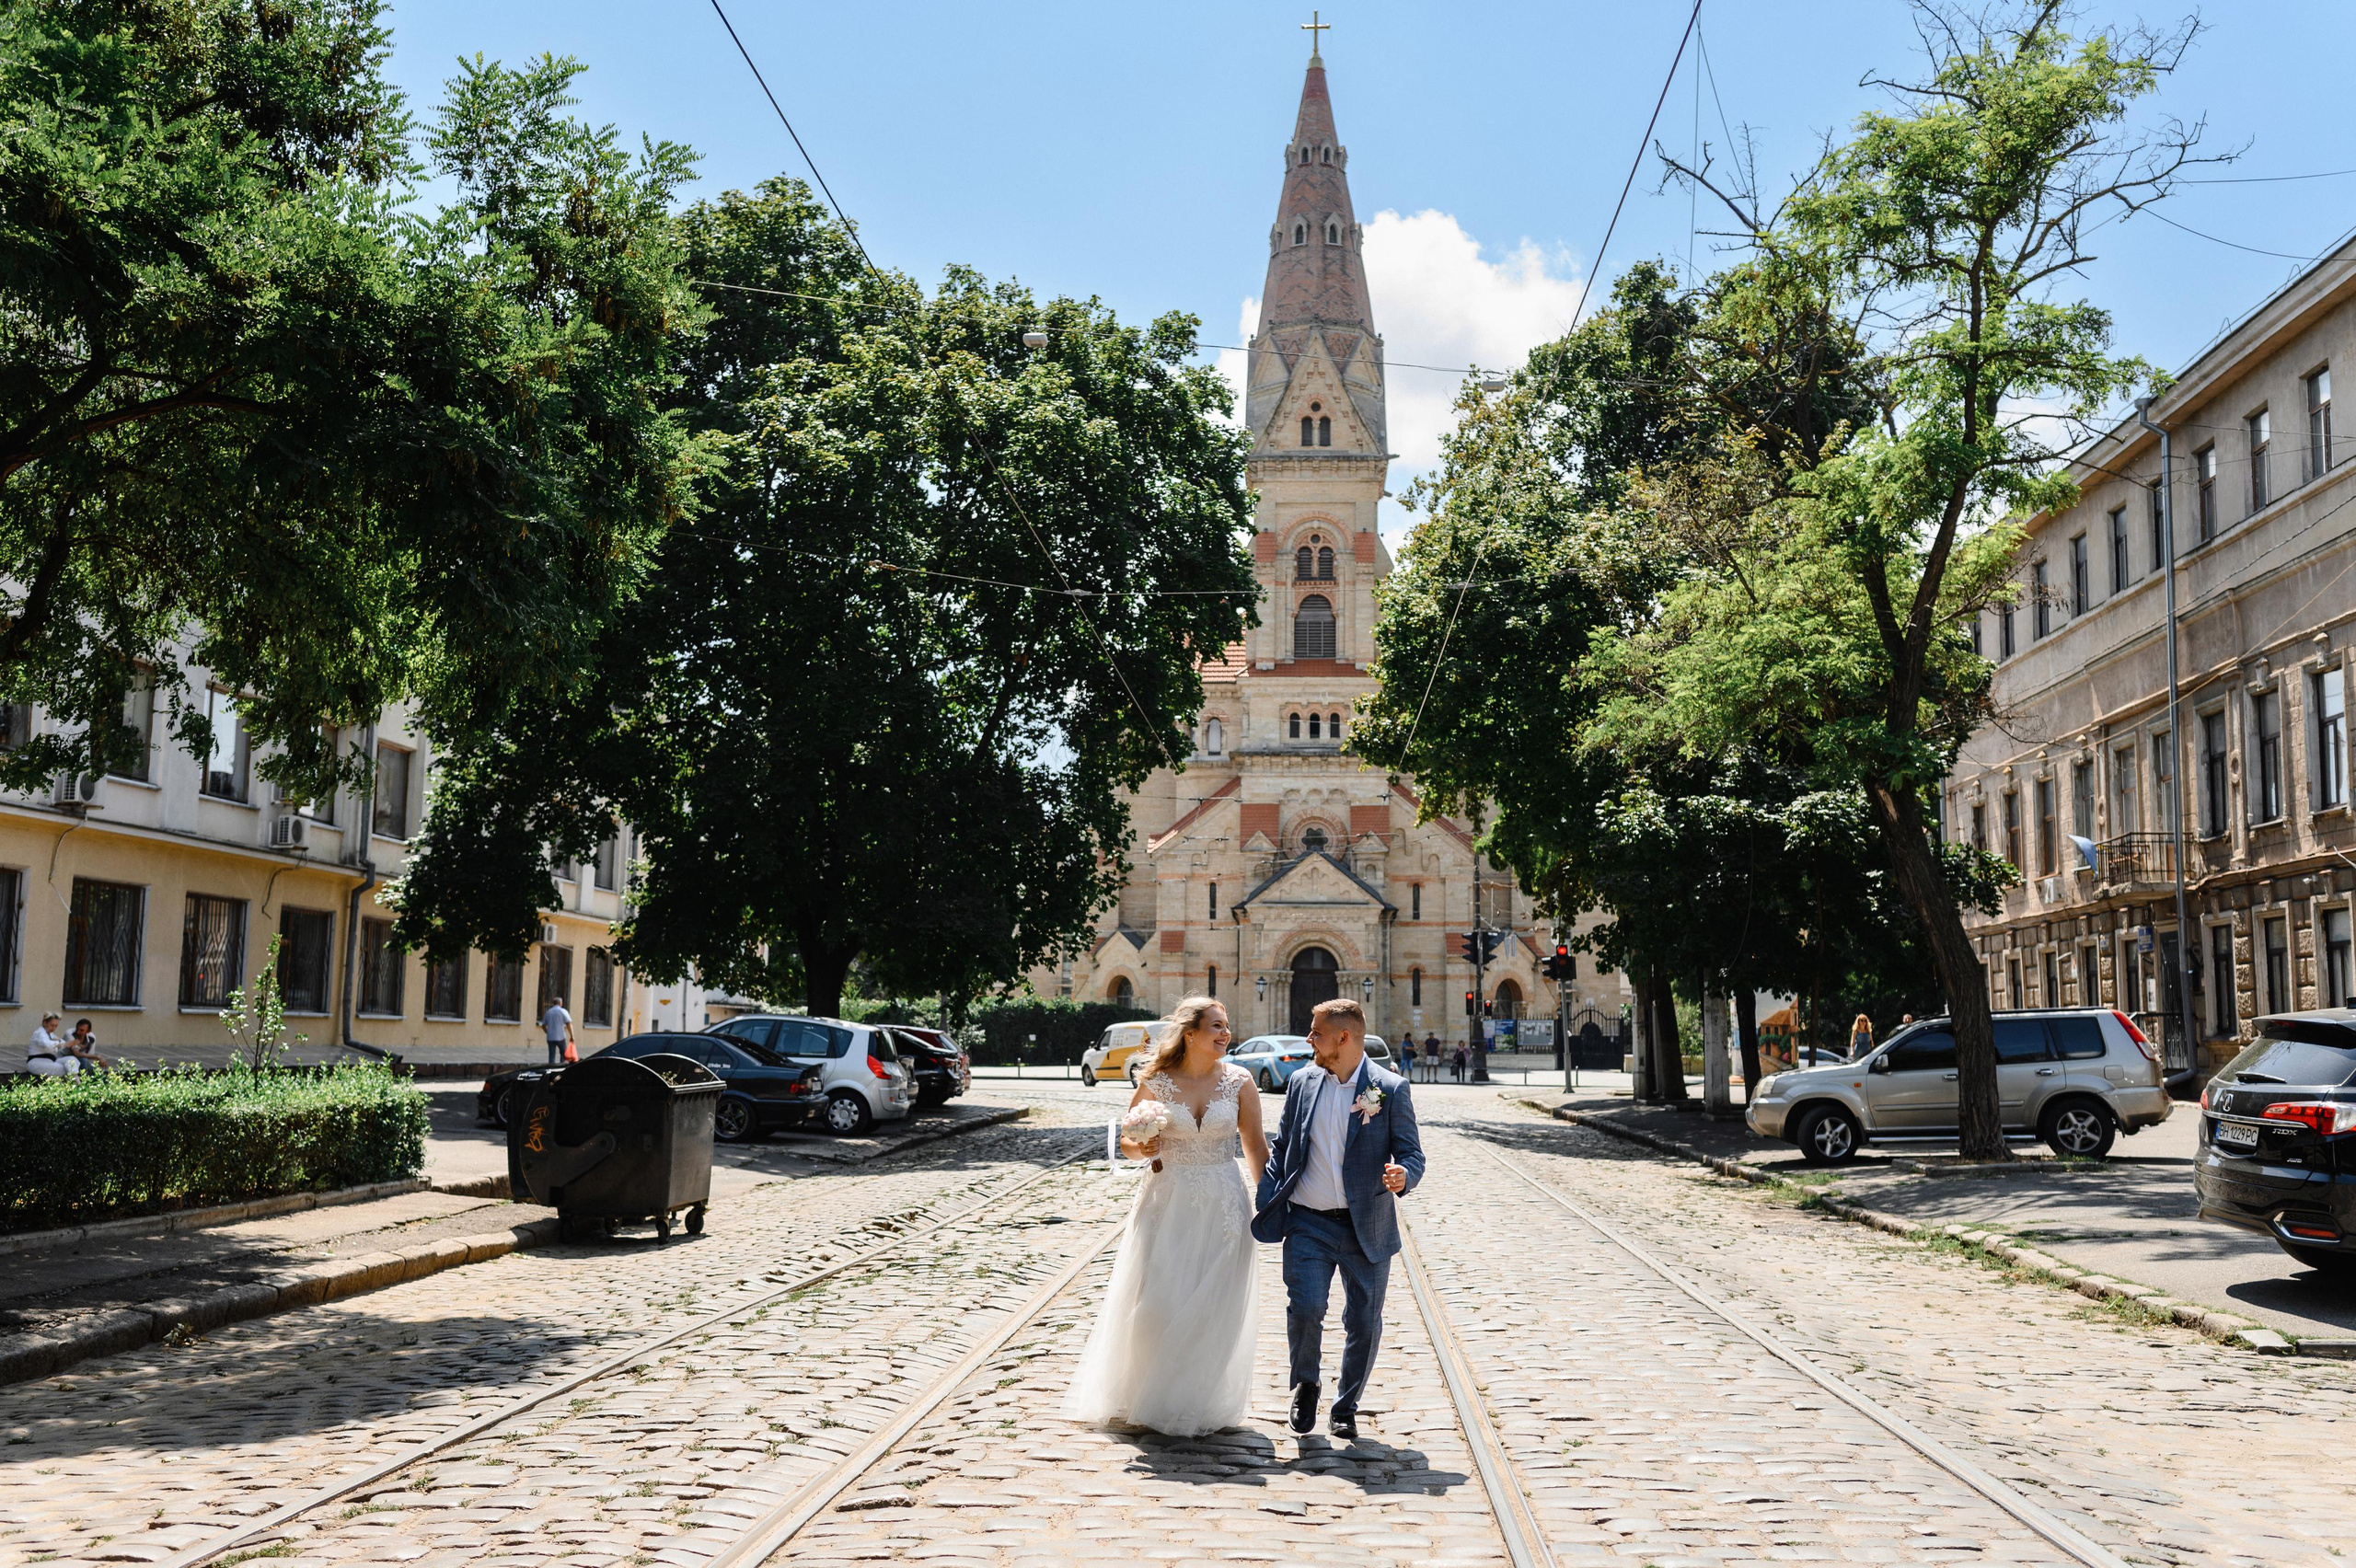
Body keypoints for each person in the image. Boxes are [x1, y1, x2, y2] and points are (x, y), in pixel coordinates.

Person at [1065, 996, 1267, 1435]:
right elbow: (1128, 1142)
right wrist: (1145, 1146)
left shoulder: (1240, 1081)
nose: (1225, 1033)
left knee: (1215, 1302)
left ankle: (1196, 1400)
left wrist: (1272, 1204)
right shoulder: (1157, 1081)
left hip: (1225, 1204)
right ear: (1190, 1034)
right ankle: (1150, 1393)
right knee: (1159, 1300)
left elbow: (1255, 1147)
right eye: (1216, 1025)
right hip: (1167, 1198)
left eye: (1227, 1025)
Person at [1253, 997, 1424, 1442]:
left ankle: (1346, 1405)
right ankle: (1306, 1384)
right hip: (1308, 1222)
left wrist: (1403, 1175)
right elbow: (1283, 1147)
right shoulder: (1302, 1083)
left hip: (1366, 1225)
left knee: (1363, 1322)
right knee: (1306, 1308)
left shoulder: (1389, 1088)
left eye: (1316, 1032)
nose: (1309, 1038)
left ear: (1343, 1038)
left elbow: (1412, 1154)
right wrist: (1267, 1200)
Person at [26, 1014, 73, 1078]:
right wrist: (61, 1044)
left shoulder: (51, 1034)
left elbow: (62, 1043)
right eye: (52, 1025)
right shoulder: (39, 1033)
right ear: (45, 1023)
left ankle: (77, 1084)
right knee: (62, 1069)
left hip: (49, 1061)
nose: (54, 1028)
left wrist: (68, 1043)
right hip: (36, 1062)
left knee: (71, 1062)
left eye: (56, 1026)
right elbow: (46, 1044)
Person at [542, 997, 575, 1066]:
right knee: (563, 1054)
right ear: (560, 1003)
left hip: (550, 1037)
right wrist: (572, 1036)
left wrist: (547, 1032)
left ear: (553, 1004)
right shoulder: (563, 1011)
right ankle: (561, 1067)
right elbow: (569, 1024)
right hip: (561, 1037)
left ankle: (551, 1068)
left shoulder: (548, 1012)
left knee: (552, 1055)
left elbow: (543, 1025)